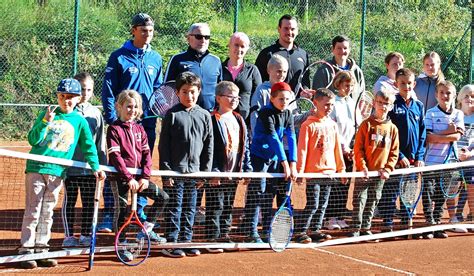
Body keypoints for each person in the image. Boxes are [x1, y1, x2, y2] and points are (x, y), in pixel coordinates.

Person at [19, 78, 106, 269]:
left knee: (47, 212)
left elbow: (89, 146)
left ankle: (41, 248)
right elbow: (33, 139)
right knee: (33, 210)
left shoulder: (80, 121)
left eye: (71, 97)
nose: (66, 100)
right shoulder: (48, 114)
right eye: (62, 96)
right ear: (58, 96)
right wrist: (44, 122)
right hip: (36, 168)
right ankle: (26, 250)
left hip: (57, 172)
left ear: (78, 99)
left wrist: (95, 166)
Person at [100, 13, 163, 230]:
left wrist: (156, 112)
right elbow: (108, 90)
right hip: (122, 124)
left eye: (151, 30)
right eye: (143, 30)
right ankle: (111, 213)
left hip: (146, 124)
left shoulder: (156, 57)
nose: (147, 34)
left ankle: (140, 211)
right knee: (116, 166)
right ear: (133, 31)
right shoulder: (118, 56)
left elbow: (159, 90)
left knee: (142, 162)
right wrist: (112, 118)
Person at [107, 90, 168, 262]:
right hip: (121, 179)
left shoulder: (140, 129)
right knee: (123, 211)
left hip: (140, 179)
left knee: (163, 197)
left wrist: (145, 178)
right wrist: (128, 178)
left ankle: (145, 232)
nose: (132, 110)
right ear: (119, 107)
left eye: (135, 107)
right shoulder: (114, 129)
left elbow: (147, 155)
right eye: (128, 106)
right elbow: (115, 157)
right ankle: (122, 245)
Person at [159, 72, 213, 258]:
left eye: (193, 92)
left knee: (191, 209)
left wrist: (204, 173)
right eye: (184, 92)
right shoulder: (171, 115)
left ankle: (187, 241)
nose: (189, 96)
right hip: (175, 173)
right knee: (175, 208)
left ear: (198, 92)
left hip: (195, 174)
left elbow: (209, 146)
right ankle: (172, 242)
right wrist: (167, 173)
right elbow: (163, 146)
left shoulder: (205, 115)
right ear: (177, 92)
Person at [242, 81, 298, 243]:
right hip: (259, 158)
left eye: (287, 99)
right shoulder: (265, 113)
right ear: (272, 99)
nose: (284, 102)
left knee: (269, 195)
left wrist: (292, 162)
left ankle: (266, 230)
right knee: (256, 193)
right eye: (281, 99)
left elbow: (291, 136)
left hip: (274, 159)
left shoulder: (287, 113)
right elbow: (273, 138)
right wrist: (285, 163)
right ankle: (251, 231)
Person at [205, 81, 252, 253]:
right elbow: (209, 148)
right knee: (215, 205)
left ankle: (223, 234)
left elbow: (245, 145)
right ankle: (212, 237)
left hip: (234, 172)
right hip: (217, 173)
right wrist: (213, 172)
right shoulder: (212, 119)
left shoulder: (239, 119)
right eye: (230, 96)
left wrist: (246, 169)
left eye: (237, 97)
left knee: (228, 206)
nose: (235, 100)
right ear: (218, 98)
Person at [294, 88, 346, 244]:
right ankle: (301, 231)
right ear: (315, 103)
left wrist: (341, 169)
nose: (329, 108)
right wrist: (300, 171)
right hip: (313, 173)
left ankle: (315, 230)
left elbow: (337, 148)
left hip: (329, 172)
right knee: (313, 204)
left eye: (331, 105)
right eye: (326, 104)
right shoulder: (307, 125)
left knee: (323, 204)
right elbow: (302, 149)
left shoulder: (332, 125)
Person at [62, 73, 107, 247]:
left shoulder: (96, 113)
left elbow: (100, 141)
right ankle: (68, 236)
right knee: (70, 201)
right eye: (81, 89)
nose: (85, 93)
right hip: (70, 168)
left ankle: (86, 234)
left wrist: (101, 165)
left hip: (89, 169)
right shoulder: (66, 110)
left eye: (89, 89)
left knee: (89, 202)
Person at [379, 68, 426, 232]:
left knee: (409, 195)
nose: (406, 86)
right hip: (394, 160)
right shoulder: (391, 105)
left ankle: (407, 225)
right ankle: (387, 225)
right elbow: (387, 134)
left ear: (414, 84)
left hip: (413, 161)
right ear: (396, 84)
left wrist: (419, 156)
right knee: (390, 195)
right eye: (402, 83)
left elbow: (422, 134)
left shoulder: (419, 106)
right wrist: (399, 156)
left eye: (409, 83)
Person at [349, 89, 399, 239]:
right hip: (363, 172)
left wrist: (388, 168)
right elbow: (358, 149)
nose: (383, 106)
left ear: (391, 106)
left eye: (386, 104)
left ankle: (366, 227)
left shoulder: (393, 129)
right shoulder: (366, 125)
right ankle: (355, 228)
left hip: (380, 174)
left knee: (373, 200)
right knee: (359, 200)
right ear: (374, 103)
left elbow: (394, 152)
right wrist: (362, 167)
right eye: (380, 103)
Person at [422, 81, 464, 239]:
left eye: (448, 93)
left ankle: (437, 224)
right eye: (442, 93)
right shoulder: (430, 113)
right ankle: (428, 225)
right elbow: (428, 138)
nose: (445, 96)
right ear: (436, 95)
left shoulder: (458, 114)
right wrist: (448, 132)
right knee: (428, 194)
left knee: (441, 196)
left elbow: (457, 136)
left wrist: (442, 136)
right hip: (429, 163)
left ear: (454, 95)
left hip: (448, 164)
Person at [164, 22, 222, 112]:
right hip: (184, 113)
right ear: (188, 38)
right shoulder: (177, 59)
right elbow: (167, 88)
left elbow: (220, 88)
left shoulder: (216, 61)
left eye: (207, 37)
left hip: (210, 115)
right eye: (199, 36)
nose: (203, 40)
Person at [325, 71, 357, 230]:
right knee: (335, 185)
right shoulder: (334, 103)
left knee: (345, 185)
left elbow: (356, 126)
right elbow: (333, 128)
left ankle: (340, 216)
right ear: (338, 84)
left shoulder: (352, 103)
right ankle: (330, 218)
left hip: (350, 151)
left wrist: (353, 148)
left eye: (351, 85)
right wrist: (344, 147)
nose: (349, 88)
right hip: (335, 150)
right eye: (346, 85)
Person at [255, 14, 309, 92]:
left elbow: (305, 81)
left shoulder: (303, 54)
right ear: (279, 29)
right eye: (286, 29)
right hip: (270, 102)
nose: (289, 32)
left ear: (297, 31)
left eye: (293, 29)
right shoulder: (267, 53)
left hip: (295, 103)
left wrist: (305, 91)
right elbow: (258, 82)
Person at [222, 32, 262, 122]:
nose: (239, 49)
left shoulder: (252, 70)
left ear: (247, 49)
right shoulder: (219, 68)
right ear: (229, 45)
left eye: (242, 46)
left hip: (245, 120)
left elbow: (257, 96)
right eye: (236, 45)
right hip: (222, 118)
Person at [312, 35, 365, 102]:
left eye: (345, 48)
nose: (342, 51)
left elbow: (362, 95)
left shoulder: (357, 71)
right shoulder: (324, 71)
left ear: (349, 50)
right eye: (339, 48)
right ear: (332, 49)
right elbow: (317, 97)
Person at [250, 54, 289, 132]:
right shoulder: (261, 90)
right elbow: (255, 116)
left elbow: (293, 118)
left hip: (283, 141)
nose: (282, 75)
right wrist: (258, 138)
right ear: (269, 70)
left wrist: (308, 114)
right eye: (279, 71)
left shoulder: (289, 92)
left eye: (285, 72)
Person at [454, 84, 474, 227]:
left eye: (472, 96)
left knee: (470, 184)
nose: (469, 99)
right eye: (466, 96)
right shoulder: (455, 114)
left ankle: (471, 214)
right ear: (460, 98)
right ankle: (456, 214)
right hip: (454, 159)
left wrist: (470, 153)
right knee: (455, 186)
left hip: (471, 160)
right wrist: (458, 153)